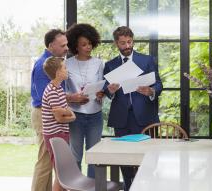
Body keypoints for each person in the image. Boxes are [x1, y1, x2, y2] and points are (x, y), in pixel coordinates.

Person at [104, 26, 163, 190]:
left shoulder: (147, 60)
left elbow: (158, 84)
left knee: (149, 158)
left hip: (145, 117)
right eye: (123, 43)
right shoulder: (110, 65)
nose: (127, 46)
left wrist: (151, 90)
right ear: (117, 44)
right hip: (121, 119)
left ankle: (148, 186)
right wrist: (110, 91)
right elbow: (106, 91)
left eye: (129, 42)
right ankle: (129, 187)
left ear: (133, 40)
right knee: (124, 159)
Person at [31, 29, 88, 191]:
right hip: (44, 114)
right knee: (44, 162)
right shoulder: (44, 65)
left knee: (51, 162)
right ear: (51, 46)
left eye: (67, 44)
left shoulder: (55, 64)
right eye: (63, 45)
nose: (66, 48)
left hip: (51, 114)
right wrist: (72, 99)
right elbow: (47, 98)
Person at [65, 23, 104, 178]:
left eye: (89, 44)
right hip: (75, 115)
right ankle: (76, 186)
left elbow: (101, 86)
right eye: (84, 44)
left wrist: (102, 94)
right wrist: (73, 97)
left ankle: (94, 187)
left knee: (95, 155)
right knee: (75, 155)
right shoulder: (67, 64)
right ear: (76, 45)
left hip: (95, 114)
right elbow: (64, 90)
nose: (88, 47)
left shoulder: (99, 63)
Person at [42, 57, 76, 191]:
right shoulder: (51, 91)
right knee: (61, 175)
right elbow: (60, 118)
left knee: (63, 174)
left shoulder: (59, 89)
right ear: (58, 72)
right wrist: (72, 116)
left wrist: (68, 112)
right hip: (54, 136)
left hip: (62, 134)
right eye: (64, 68)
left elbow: (66, 113)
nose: (67, 70)